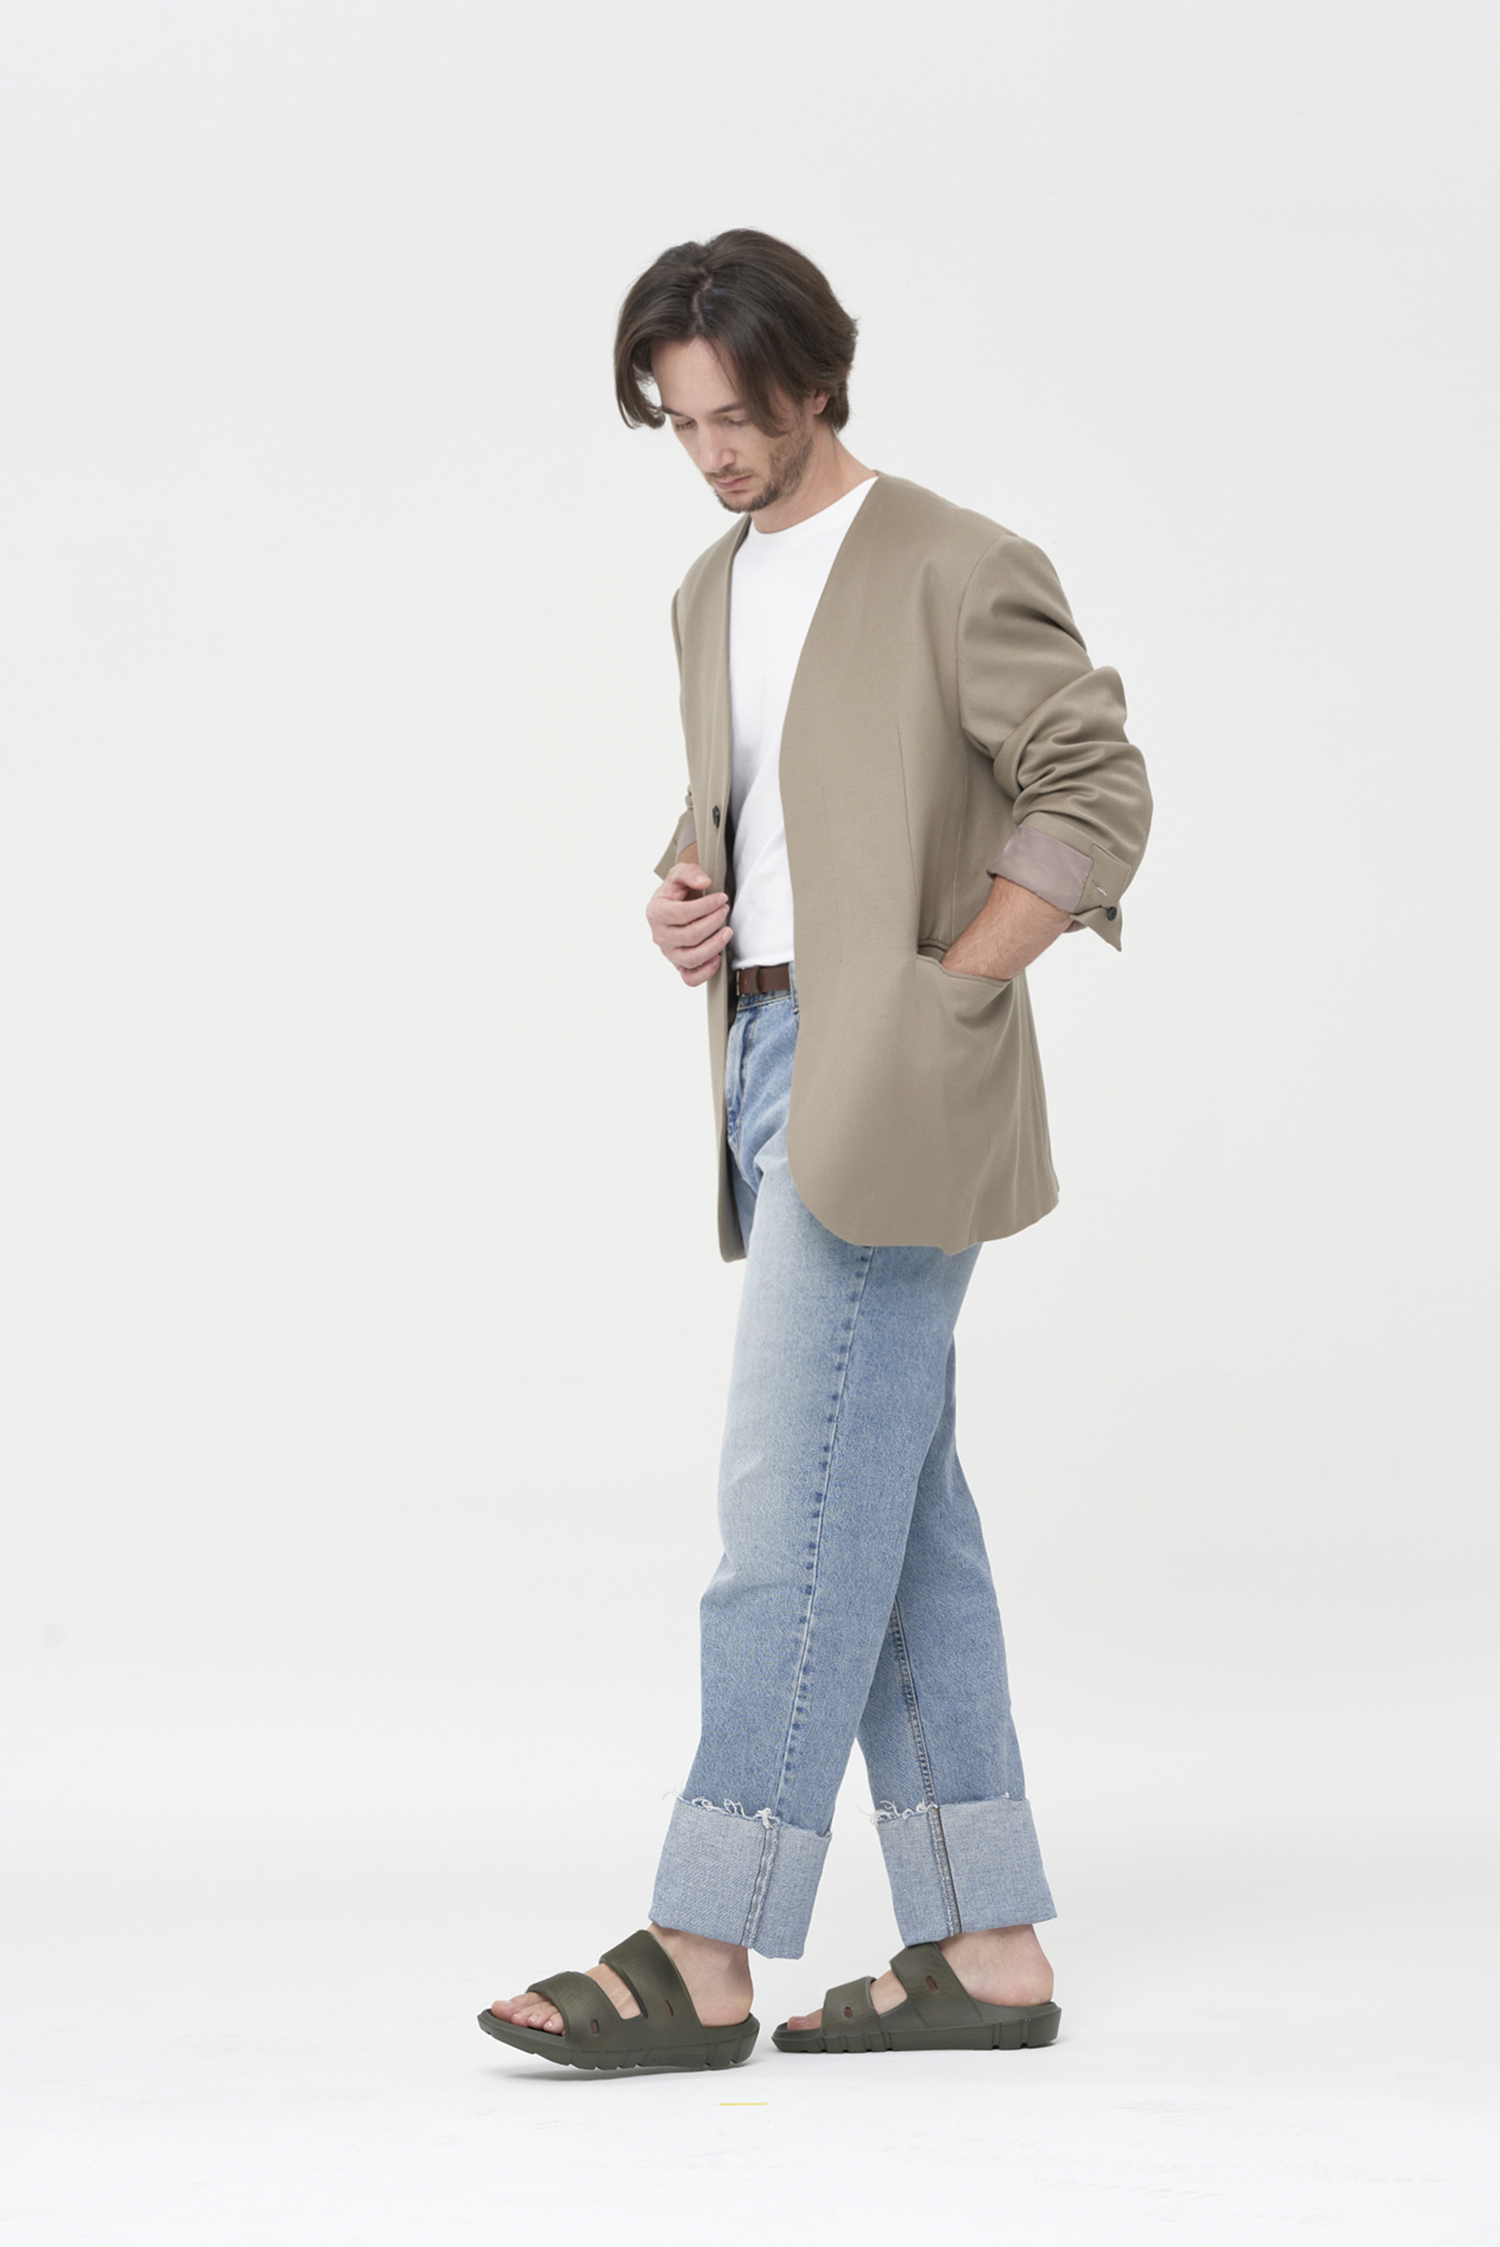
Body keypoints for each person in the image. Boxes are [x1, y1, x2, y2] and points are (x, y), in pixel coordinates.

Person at [480, 229, 1152, 2071]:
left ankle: (702, 1943)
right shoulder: (708, 592)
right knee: (892, 1504)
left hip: (890, 1071)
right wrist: (684, 888)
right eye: (681, 421)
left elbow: (1094, 785)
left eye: (736, 414)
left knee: (785, 1504)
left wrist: (953, 987)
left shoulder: (953, 561)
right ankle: (985, 1940)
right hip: (761, 1058)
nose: (711, 451)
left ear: (816, 381)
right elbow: (771, 808)